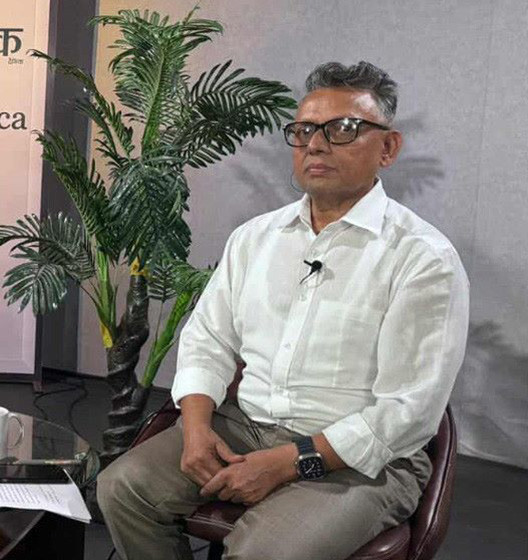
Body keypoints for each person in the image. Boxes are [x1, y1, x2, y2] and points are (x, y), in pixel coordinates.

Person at [96, 61, 469, 560]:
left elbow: (407, 412)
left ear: (388, 148)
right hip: (243, 425)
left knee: (264, 552)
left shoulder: (423, 258)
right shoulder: (255, 237)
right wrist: (196, 429)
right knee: (122, 488)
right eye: (305, 131)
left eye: (343, 129)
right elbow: (208, 340)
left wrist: (291, 462)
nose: (316, 145)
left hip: (363, 461)